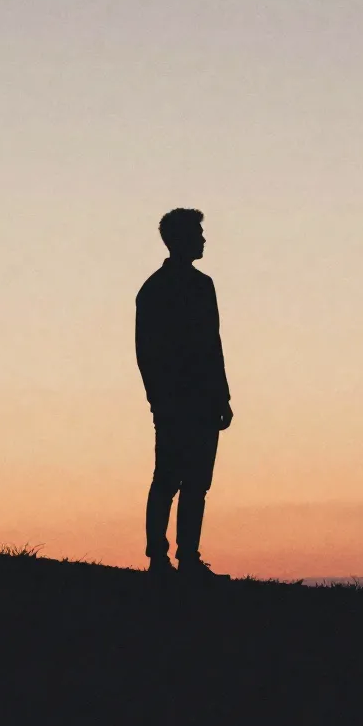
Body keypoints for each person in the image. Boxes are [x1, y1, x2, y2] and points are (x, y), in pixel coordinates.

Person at [135, 208, 233, 580]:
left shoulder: (203, 285)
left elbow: (213, 345)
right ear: (180, 239)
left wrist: (222, 396)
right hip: (175, 401)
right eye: (198, 234)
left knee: (196, 483)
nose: (204, 240)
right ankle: (159, 558)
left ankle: (187, 558)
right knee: (168, 479)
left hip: (203, 400)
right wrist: (159, 399)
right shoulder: (155, 289)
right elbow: (147, 351)